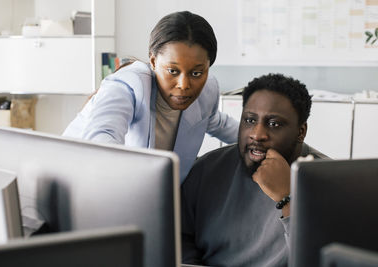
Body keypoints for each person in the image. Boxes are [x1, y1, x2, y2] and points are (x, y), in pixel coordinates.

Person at [62, 11, 238, 183]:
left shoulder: (208, 90)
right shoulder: (128, 85)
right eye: (173, 71)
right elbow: (101, 140)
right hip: (79, 182)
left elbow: (218, 122)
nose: (184, 84)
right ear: (153, 62)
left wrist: (262, 143)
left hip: (153, 194)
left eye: (197, 73)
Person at [181, 73, 328, 267]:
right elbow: (180, 237)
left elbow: (319, 260)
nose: (257, 135)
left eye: (274, 124)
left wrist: (287, 198)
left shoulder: (328, 182)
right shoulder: (206, 168)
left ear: (301, 132)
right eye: (250, 121)